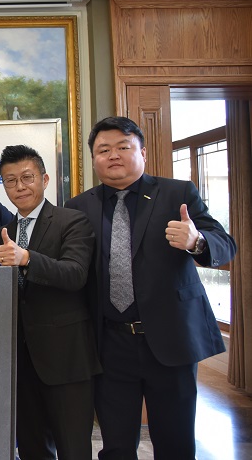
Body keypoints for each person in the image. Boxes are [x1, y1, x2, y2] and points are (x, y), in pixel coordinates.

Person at [65, 116, 236, 460]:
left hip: (170, 340)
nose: (113, 155)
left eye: (123, 147)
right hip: (109, 344)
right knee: (116, 445)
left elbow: (225, 244)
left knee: (175, 443)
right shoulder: (79, 207)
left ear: (142, 152)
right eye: (103, 150)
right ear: (94, 158)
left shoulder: (177, 193)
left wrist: (197, 241)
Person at [0, 145, 100, 460]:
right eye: (11, 180)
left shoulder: (73, 221)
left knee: (73, 449)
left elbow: (75, 274)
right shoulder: (2, 233)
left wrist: (27, 258)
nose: (20, 186)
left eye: (27, 177)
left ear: (45, 179)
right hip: (18, 362)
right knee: (32, 448)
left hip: (65, 357)